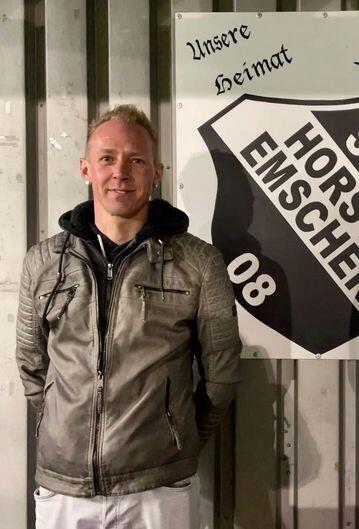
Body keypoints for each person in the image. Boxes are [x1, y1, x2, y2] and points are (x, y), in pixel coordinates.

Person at [15, 105, 242, 529]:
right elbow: (32, 366)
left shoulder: (199, 264)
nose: (120, 171)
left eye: (136, 160)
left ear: (156, 171)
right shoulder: (43, 262)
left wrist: (178, 439)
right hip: (64, 489)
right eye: (107, 158)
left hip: (158, 490)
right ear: (86, 168)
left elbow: (222, 375)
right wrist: (64, 432)